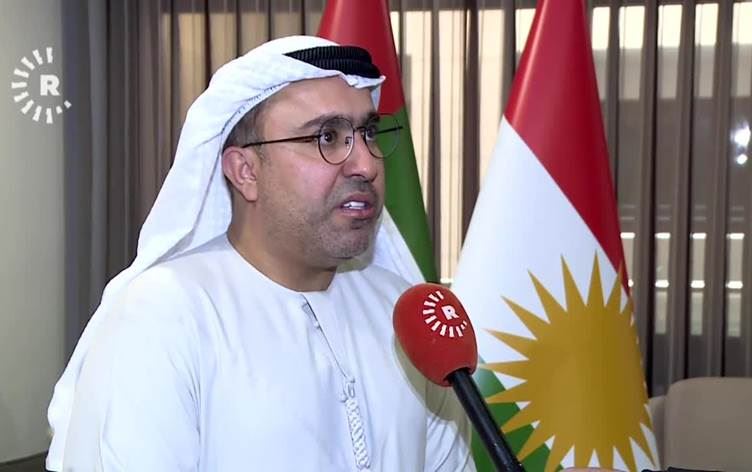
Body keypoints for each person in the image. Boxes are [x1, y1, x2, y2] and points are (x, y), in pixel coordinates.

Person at [46, 35, 475, 471]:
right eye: (327, 137)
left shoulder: (402, 310)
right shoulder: (165, 316)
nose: (366, 164)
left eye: (367, 133)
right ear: (245, 171)